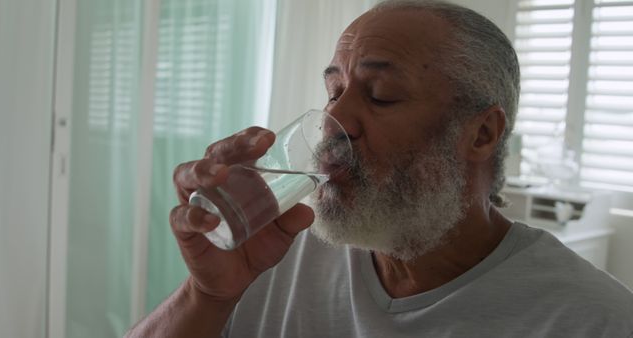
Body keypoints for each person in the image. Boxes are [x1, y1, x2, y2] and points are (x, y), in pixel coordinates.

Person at [127, 0, 633, 337]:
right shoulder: (275, 256)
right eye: (333, 92)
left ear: (481, 133)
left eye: (381, 95)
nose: (333, 120)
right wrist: (207, 295)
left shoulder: (590, 319)